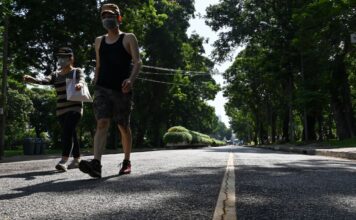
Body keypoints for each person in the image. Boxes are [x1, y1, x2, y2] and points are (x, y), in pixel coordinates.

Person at [79, 3, 142, 178]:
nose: (107, 19)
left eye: (111, 15)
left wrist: (131, 79)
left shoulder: (128, 38)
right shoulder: (99, 41)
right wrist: (95, 80)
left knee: (123, 126)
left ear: (119, 18)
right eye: (104, 16)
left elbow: (138, 62)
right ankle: (96, 164)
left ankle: (127, 160)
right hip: (102, 88)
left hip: (122, 89)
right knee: (102, 122)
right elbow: (98, 64)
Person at [24, 47, 85, 172]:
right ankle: (77, 159)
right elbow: (45, 80)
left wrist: (80, 84)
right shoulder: (55, 74)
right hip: (61, 109)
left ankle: (63, 161)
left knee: (67, 132)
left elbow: (82, 79)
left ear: (71, 58)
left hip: (75, 107)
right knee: (71, 132)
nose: (61, 60)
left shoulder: (76, 71)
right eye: (60, 57)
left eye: (64, 57)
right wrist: (33, 79)